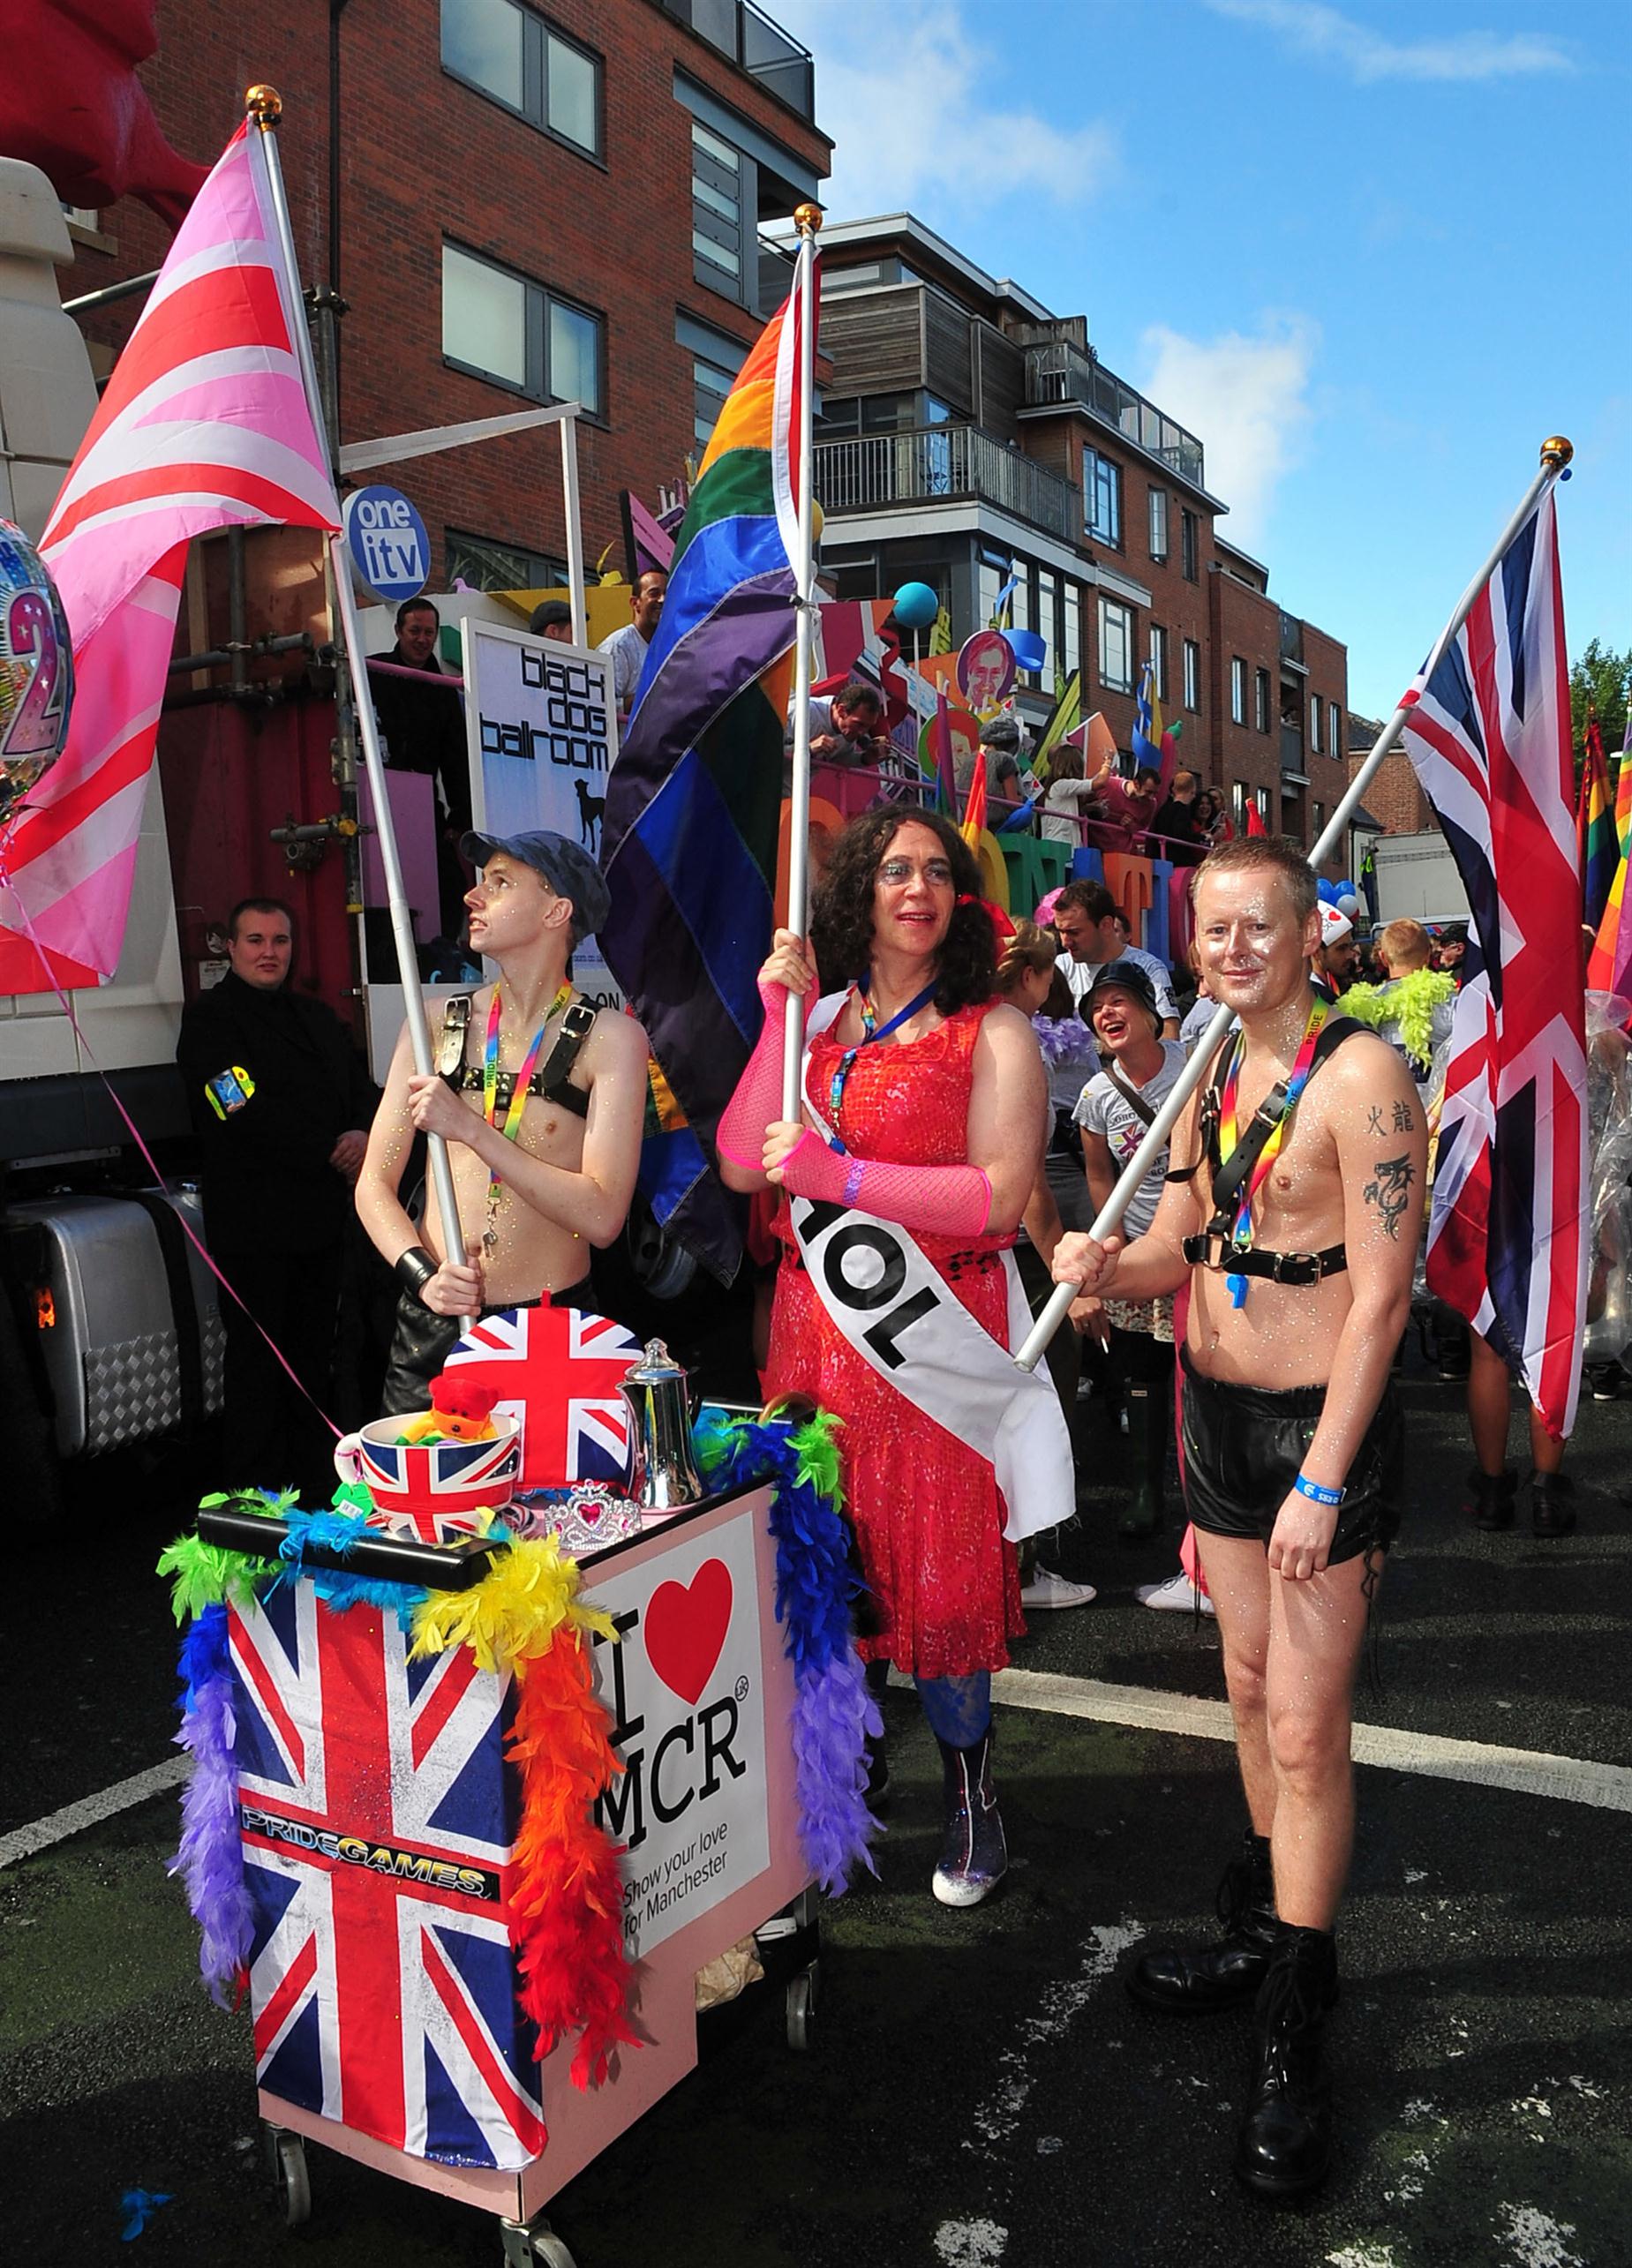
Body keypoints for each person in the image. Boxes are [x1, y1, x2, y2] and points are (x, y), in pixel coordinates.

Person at [1051, 833, 1425, 2199]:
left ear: (1307, 933)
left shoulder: (1365, 1073)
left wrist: (1326, 1476)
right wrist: (1101, 1267)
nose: (1229, 950)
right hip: (1212, 1416)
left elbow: (1383, 1297)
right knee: (1250, 1679)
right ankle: (1272, 1925)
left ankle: (1296, 2018)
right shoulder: (1207, 1065)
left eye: (1256, 926)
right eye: (1211, 929)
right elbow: (1189, 1242)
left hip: (1316, 1425)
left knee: (1306, 1726)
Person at [718, 808, 1068, 1907]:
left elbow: (998, 1199)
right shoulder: (815, 1021)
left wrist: (845, 1181)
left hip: (933, 1361)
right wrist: (780, 1011)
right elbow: (741, 1162)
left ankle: (971, 1791)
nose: (916, 886)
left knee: (945, 1586)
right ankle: (843, 1784)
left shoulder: (991, 1030)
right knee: (833, 1578)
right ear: (857, 890)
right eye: (894, 868)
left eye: (937, 871)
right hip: (813, 1354)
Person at [356, 830, 650, 1412]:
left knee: (555, 1504)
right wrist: (423, 1276)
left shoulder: (610, 1039)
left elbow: (601, 1216)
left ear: (556, 911)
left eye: (500, 881)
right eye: (481, 879)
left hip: (552, 1330)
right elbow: (373, 1186)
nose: (473, 896)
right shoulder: (432, 1023)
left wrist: (470, 1130)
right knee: (426, 1499)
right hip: (437, 1324)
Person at [177, 897, 377, 1504]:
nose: (270, 952)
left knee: (316, 1360)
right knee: (259, 1366)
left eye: (281, 941)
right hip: (254, 1228)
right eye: (256, 940)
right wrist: (326, 1149)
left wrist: (364, 1134)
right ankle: (254, 1503)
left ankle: (316, 1488)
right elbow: (233, 1106)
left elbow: (362, 1090)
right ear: (230, 949)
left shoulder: (318, 1019)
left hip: (320, 1224)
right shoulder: (210, 1023)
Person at [996, 920, 1097, 1611]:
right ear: (1034, 977)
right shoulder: (1012, 1043)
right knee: (1039, 1398)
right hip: (1014, 1260)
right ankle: (1021, 1565)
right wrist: (1064, 1270)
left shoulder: (955, 1029)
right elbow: (1028, 1183)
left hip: (964, 1256)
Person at [1072, 961, 1187, 1537]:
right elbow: (1099, 1174)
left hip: (1196, 1249)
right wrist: (1111, 1232)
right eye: (1096, 1007)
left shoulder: (1193, 1068)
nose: (1106, 1013)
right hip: (1139, 1250)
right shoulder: (1096, 1094)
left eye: (1117, 1001)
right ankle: (1145, 1494)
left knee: (1203, 1372)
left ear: (1148, 1009)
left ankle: (1207, 1496)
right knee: (1140, 1374)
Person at [367, 597, 472, 939]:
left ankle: (437, 949)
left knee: (449, 883)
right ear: (398, 631)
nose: (423, 639)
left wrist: (459, 818)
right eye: (415, 631)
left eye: (429, 632)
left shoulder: (444, 689)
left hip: (426, 804)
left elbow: (455, 758)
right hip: (376, 798)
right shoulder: (373, 672)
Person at [1340, 918, 1455, 1103]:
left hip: (1380, 1116)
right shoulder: (1450, 1003)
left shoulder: (1358, 1009)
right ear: (1428, 955)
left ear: (1384, 958)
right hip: (1439, 1119)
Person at [1053, 879, 1179, 1034]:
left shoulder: (1148, 968)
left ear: (1106, 925)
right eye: (1061, 931)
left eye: (1074, 932)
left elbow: (1170, 1033)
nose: (1065, 942)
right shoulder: (1058, 967)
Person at [598, 567, 667, 717]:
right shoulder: (618, 645)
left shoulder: (670, 647)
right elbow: (599, 704)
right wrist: (651, 697)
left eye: (667, 594)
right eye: (654, 594)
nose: (662, 600)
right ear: (635, 603)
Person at [799, 676, 891, 768]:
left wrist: (865, 758)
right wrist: (808, 749)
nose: (862, 732)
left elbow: (840, 758)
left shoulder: (846, 731)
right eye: (859, 724)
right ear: (841, 711)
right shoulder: (802, 712)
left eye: (868, 727)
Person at [1037, 744, 1102, 845]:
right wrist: (1108, 762)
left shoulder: (1057, 786)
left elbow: (1067, 809)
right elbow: (1098, 783)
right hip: (1061, 845)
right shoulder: (1062, 785)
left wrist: (1088, 808)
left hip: (1064, 844)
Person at [1150, 767, 1205, 866]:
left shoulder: (1164, 809)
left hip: (1160, 857)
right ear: (1191, 791)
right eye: (1193, 793)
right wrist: (1202, 837)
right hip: (1177, 860)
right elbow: (1182, 834)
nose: (1194, 797)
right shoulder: (1182, 810)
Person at [1312, 905, 1359, 996]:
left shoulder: (1327, 986)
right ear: (1317, 953)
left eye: (1350, 947)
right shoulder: (1312, 995)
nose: (1350, 955)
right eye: (1341, 949)